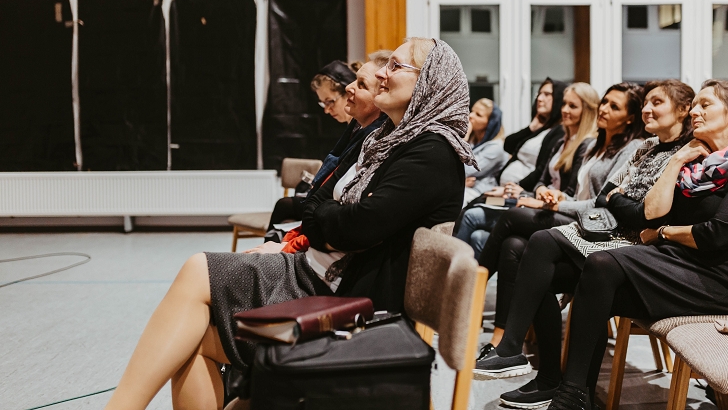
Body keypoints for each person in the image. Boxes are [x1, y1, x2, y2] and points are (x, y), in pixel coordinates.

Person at [103, 38, 473, 410]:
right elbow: (317, 202)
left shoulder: (431, 151)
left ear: (429, 82)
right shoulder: (384, 137)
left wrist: (326, 216)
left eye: (395, 66)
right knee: (192, 321)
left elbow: (356, 227)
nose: (381, 74)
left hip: (342, 300)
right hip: (316, 272)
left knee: (197, 281)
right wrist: (328, 216)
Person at [494, 80, 728, 410]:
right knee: (559, 274)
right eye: (695, 105)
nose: (695, 112)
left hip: (725, 281)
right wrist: (676, 161)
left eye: (705, 105)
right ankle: (568, 390)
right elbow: (652, 211)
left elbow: (714, 235)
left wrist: (663, 234)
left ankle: (570, 394)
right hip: (682, 264)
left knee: (601, 264)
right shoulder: (698, 164)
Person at [473, 80, 695, 408]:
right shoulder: (645, 146)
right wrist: (618, 200)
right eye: (646, 102)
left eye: (656, 103)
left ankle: (516, 350)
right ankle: (544, 374)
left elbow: (642, 214)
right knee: (521, 251)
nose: (647, 109)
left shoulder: (681, 153)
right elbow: (607, 196)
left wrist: (618, 200)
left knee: (536, 240)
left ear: (683, 109)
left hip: (631, 245)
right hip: (608, 231)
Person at [475, 83, 646, 352]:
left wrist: (558, 205)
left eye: (614, 107)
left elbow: (602, 203)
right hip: (577, 216)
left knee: (512, 217)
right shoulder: (596, 144)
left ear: (629, 118)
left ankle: (472, 291)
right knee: (512, 246)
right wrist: (553, 195)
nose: (604, 109)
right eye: (604, 102)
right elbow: (572, 191)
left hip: (595, 228)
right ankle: (501, 340)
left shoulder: (630, 148)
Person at [247, 55, 390, 255]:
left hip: (330, 244)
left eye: (330, 101)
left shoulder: (374, 138)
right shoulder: (359, 130)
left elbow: (348, 216)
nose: (327, 110)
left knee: (286, 207)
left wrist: (288, 246)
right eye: (323, 104)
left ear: (383, 95)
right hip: (324, 227)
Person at [455, 83, 596, 257]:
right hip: (521, 195)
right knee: (477, 223)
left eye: (572, 106)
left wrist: (524, 192)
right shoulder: (561, 140)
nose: (565, 110)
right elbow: (541, 178)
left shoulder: (582, 144)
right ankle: (465, 270)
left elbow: (567, 191)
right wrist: (538, 189)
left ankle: (461, 270)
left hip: (537, 202)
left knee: (473, 214)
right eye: (564, 104)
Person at [463, 98, 508, 205]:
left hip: (483, 193)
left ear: (490, 123)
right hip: (466, 188)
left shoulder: (496, 148)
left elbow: (466, 170)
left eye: (478, 115)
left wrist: (463, 139)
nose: (471, 116)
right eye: (472, 111)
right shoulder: (473, 139)